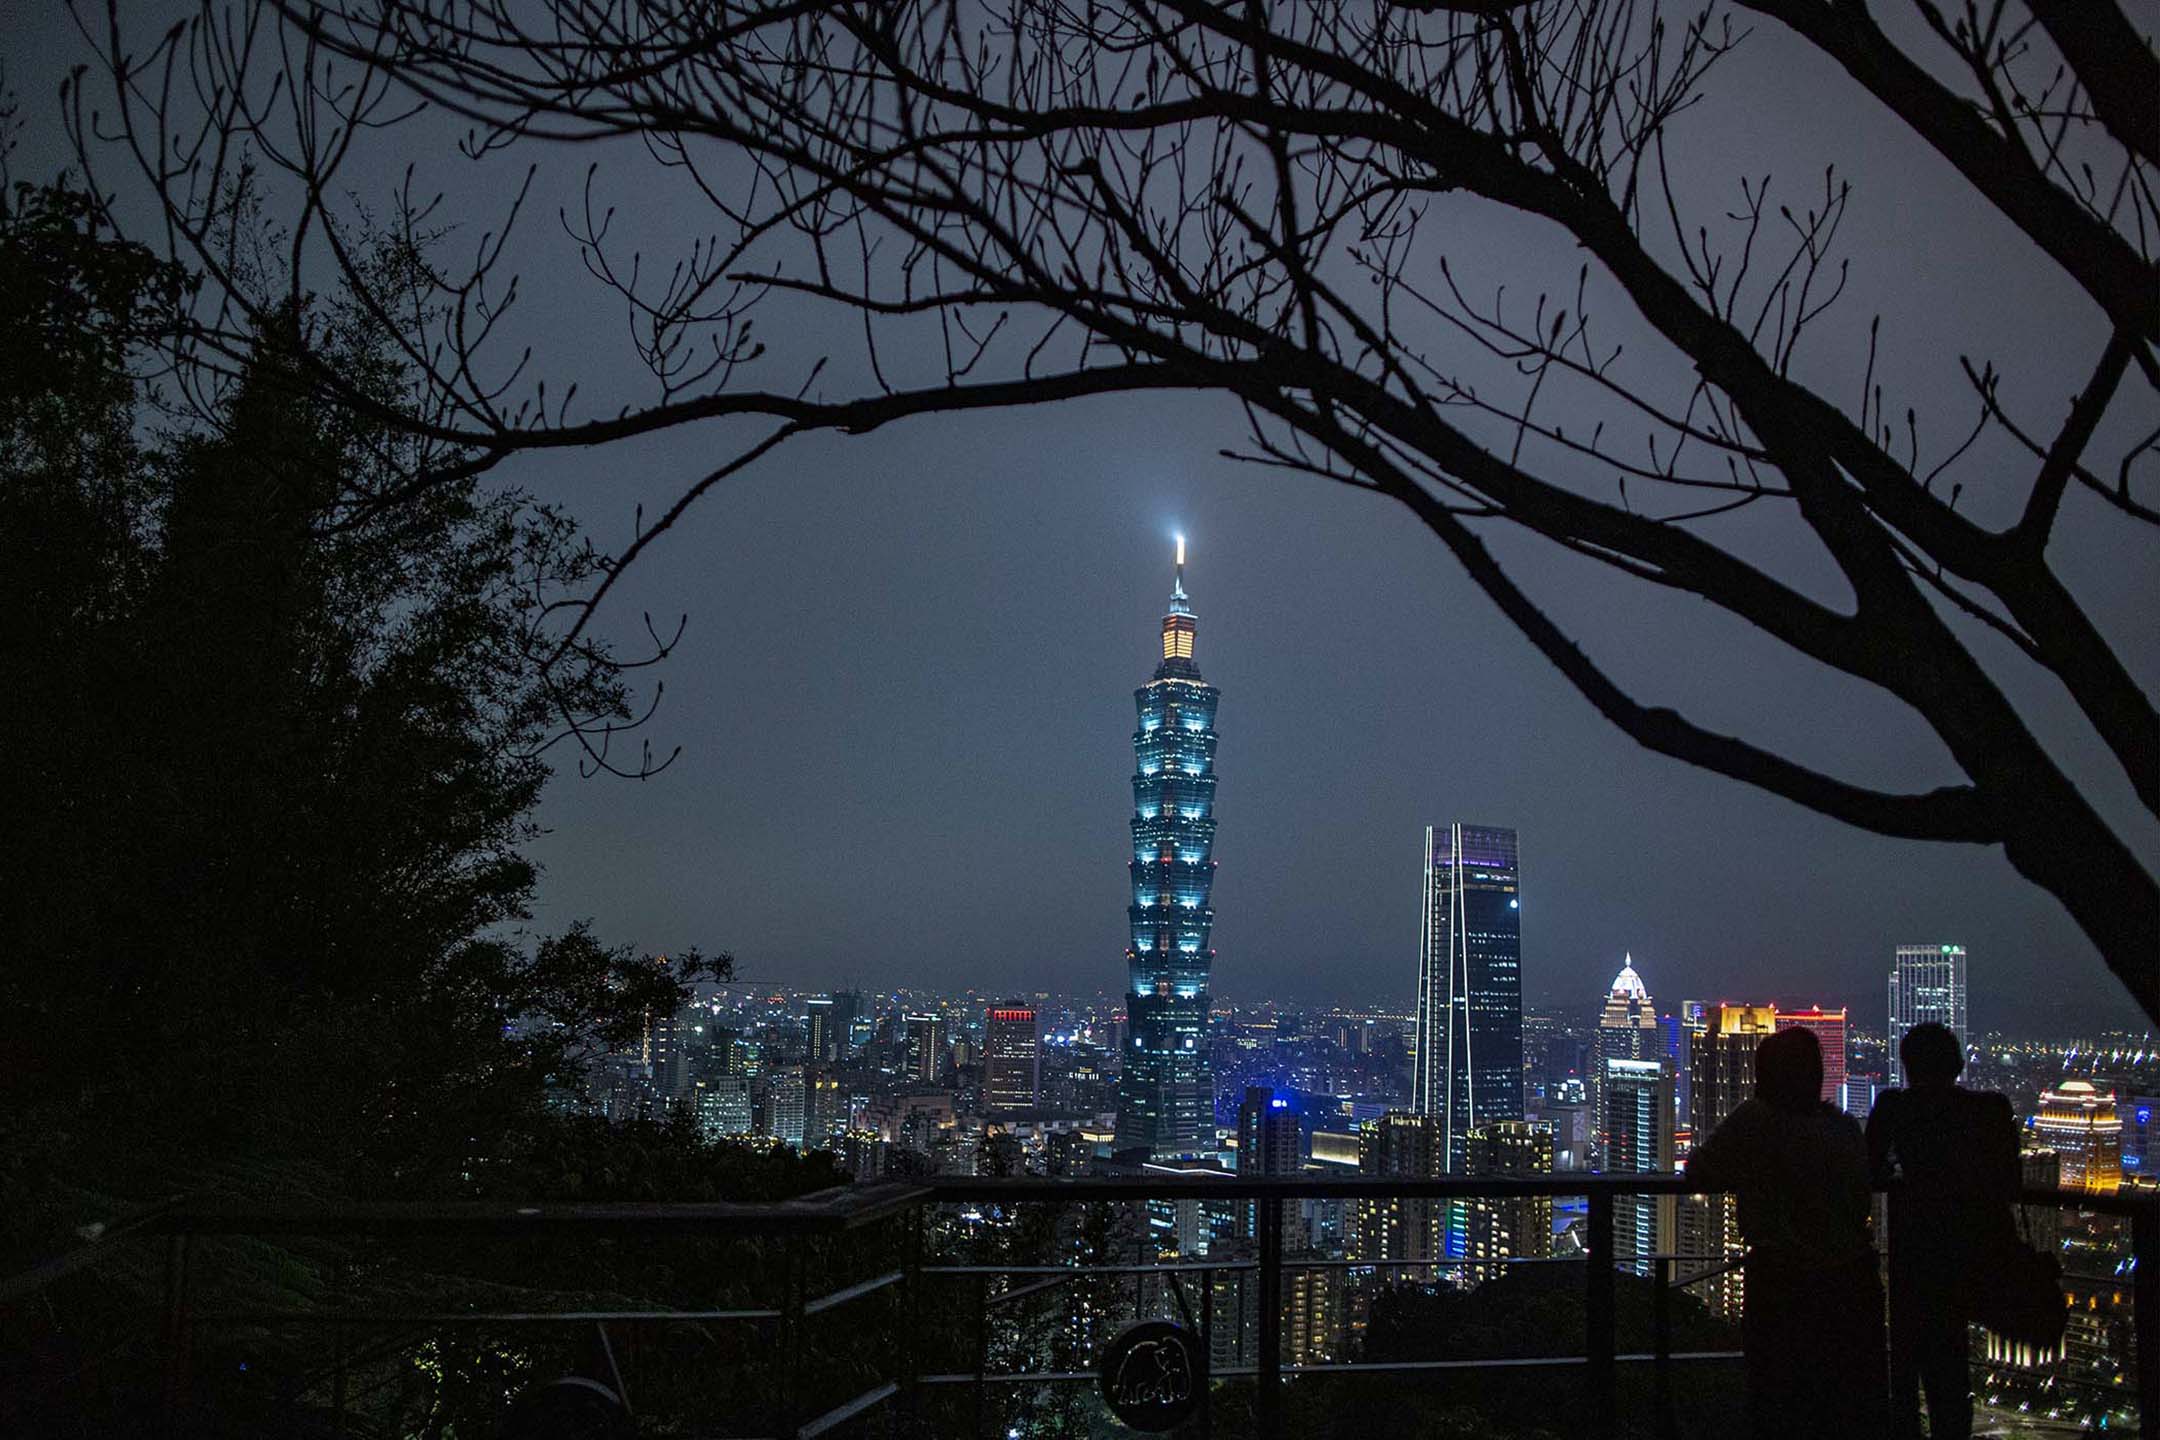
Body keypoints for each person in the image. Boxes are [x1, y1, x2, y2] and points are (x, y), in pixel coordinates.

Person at [1686, 1026, 1886, 1439]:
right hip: (1852, 1281)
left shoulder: (1756, 1120)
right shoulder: (1845, 1128)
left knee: (1778, 1399)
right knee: (1844, 1404)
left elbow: (1701, 1170)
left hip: (1784, 1284)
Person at [1867, 1023, 2019, 1440]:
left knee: (1905, 1367)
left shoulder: (1896, 1107)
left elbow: (1869, 1166)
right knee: (1952, 1372)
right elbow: (2011, 1179)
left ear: (1907, 1065)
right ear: (1958, 1064)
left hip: (1914, 1254)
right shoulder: (1989, 1108)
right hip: (1970, 1254)